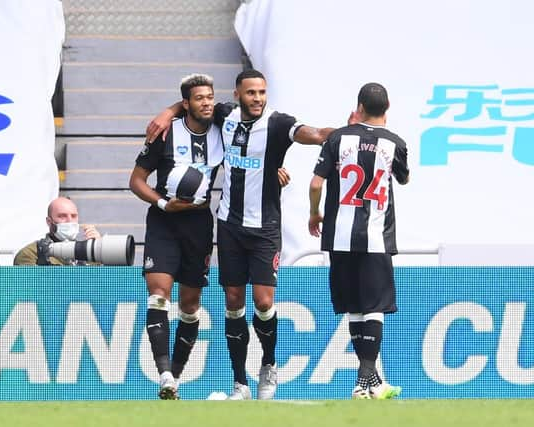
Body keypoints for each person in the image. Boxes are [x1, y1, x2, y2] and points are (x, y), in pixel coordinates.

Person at [147, 69, 334, 400]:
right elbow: (192, 103)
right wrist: (168, 111)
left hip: (264, 228)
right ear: (237, 95)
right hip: (229, 226)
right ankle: (240, 384)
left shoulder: (277, 123)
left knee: (264, 302)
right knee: (233, 302)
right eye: (251, 93)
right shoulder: (223, 116)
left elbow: (316, 133)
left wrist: (351, 133)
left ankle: (269, 364)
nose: (257, 98)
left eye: (262, 92)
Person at [308, 82, 409, 400]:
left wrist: (315, 214)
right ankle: (365, 378)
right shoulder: (395, 143)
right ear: (387, 109)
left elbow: (315, 183)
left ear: (359, 107)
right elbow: (404, 178)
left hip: (339, 235)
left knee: (354, 306)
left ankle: (371, 383)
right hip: (376, 236)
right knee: (375, 307)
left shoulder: (338, 137)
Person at [129, 73, 224, 400]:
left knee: (190, 304)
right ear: (186, 103)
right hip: (164, 220)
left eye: (210, 97)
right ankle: (164, 372)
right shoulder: (166, 135)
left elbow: (254, 136)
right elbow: (137, 180)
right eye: (199, 98)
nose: (207, 103)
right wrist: (162, 203)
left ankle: (176, 378)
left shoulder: (223, 128)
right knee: (158, 294)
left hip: (199, 224)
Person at [14, 196, 101, 265]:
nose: (69, 221)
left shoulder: (88, 253)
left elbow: (103, 283)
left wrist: (100, 250)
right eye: (62, 216)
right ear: (49, 221)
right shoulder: (31, 254)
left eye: (73, 216)